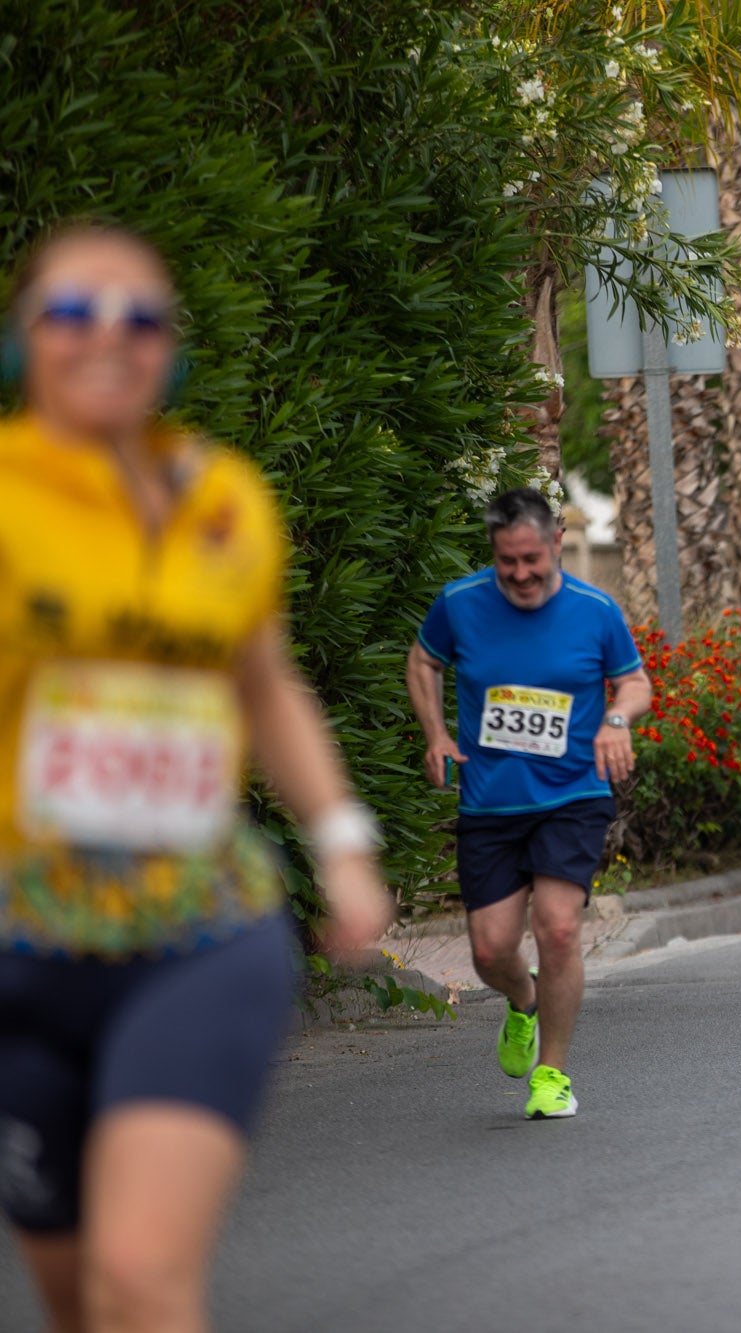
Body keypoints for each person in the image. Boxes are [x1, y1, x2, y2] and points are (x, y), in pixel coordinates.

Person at [0, 220, 393, 1330]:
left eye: (142, 316)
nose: (108, 337)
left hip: (197, 931)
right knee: (78, 1298)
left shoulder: (226, 497)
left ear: (171, 347)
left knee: (139, 1273)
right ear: (26, 334)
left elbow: (263, 684)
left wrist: (344, 844)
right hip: (19, 946)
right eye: (75, 311)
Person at [409, 488, 653, 1120]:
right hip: (491, 803)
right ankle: (523, 1001)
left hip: (574, 795)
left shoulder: (594, 610)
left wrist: (617, 722)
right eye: (505, 561)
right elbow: (423, 660)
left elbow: (634, 684)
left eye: (531, 560)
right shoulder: (460, 604)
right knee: (490, 950)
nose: (519, 574)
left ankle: (553, 1073)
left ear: (555, 544)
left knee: (560, 925)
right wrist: (436, 733)